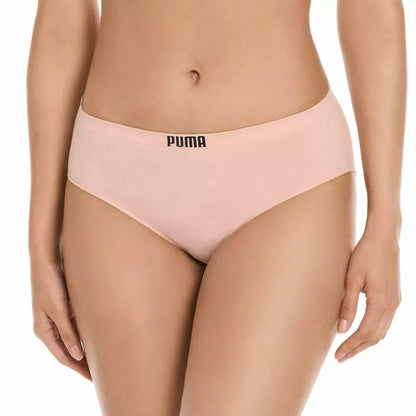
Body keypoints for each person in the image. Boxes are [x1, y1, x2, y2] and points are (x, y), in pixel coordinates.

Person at [27, 1, 406, 415]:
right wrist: (40, 250)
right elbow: (62, 23)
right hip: (116, 186)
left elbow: (371, 10)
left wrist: (385, 220)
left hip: (286, 180)